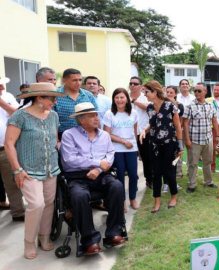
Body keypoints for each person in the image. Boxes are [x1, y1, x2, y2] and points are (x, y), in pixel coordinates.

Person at [4, 82, 65, 259]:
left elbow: (54, 140)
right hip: (27, 169)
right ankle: (29, 241)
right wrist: (17, 170)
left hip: (51, 168)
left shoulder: (53, 115)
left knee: (48, 204)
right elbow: (9, 144)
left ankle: (44, 235)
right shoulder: (20, 116)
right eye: (52, 98)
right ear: (39, 97)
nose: (54, 102)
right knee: (36, 204)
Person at [60, 102, 126, 256]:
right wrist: (97, 163)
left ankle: (113, 233)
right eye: (92, 116)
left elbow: (110, 155)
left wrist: (97, 169)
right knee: (79, 195)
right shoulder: (69, 135)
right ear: (81, 119)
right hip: (77, 177)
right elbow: (69, 159)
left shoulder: (104, 135)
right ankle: (90, 241)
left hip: (100, 175)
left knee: (116, 186)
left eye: (96, 115)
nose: (97, 118)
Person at [140, 81, 183, 212]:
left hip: (169, 144)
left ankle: (173, 196)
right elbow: (152, 123)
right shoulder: (150, 108)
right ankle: (157, 201)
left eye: (146, 92)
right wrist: (144, 130)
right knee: (156, 173)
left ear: (154, 92)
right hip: (154, 144)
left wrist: (180, 146)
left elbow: (177, 126)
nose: (145, 94)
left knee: (169, 172)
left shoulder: (170, 106)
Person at [103, 88, 139, 211]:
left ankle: (133, 199)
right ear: (113, 99)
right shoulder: (109, 114)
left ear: (127, 99)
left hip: (131, 149)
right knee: (120, 177)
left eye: (122, 97)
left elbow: (135, 131)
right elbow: (107, 134)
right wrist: (123, 141)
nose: (119, 100)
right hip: (116, 149)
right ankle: (122, 201)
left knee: (134, 175)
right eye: (117, 97)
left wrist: (136, 146)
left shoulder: (133, 113)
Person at [183, 82, 219, 194]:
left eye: (199, 90)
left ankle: (208, 181)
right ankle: (192, 184)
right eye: (195, 90)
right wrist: (187, 140)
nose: (197, 93)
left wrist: (217, 135)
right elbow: (185, 124)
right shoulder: (190, 106)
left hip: (208, 139)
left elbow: (214, 121)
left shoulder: (210, 105)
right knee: (193, 163)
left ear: (205, 92)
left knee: (208, 161)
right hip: (194, 141)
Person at [0, 76, 25, 221]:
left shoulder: (7, 96)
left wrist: (1, 102)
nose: (2, 88)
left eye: (2, 85)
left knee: (12, 182)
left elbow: (17, 113)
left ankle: (18, 212)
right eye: (0, 86)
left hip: (5, 149)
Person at [53, 68, 98, 139]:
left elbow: (95, 116)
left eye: (80, 80)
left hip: (86, 135)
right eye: (74, 80)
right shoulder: (56, 95)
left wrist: (97, 135)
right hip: (63, 136)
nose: (78, 83)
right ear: (64, 80)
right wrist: (56, 140)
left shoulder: (88, 95)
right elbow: (52, 121)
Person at [129, 76, 153, 189]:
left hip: (144, 132)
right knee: (131, 158)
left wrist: (133, 101)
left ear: (141, 86)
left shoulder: (145, 97)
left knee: (147, 158)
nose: (132, 85)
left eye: (135, 83)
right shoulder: (124, 97)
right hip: (129, 133)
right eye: (131, 83)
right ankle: (134, 181)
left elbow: (147, 107)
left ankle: (149, 179)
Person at [165, 85, 185, 191]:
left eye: (171, 92)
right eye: (167, 92)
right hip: (163, 137)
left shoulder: (180, 106)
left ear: (176, 94)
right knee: (164, 161)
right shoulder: (161, 104)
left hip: (174, 136)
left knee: (174, 161)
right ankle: (165, 184)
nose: (168, 94)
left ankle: (173, 182)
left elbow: (180, 123)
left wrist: (178, 136)